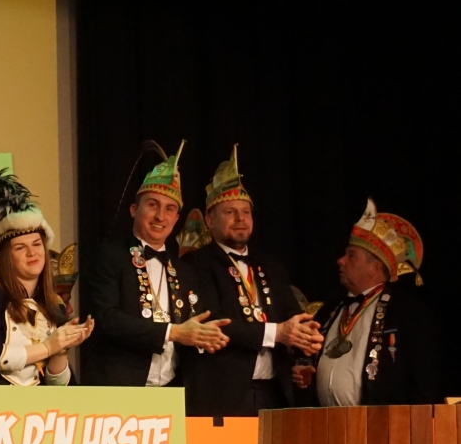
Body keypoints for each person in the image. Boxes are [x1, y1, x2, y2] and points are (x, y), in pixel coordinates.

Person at [179, 147, 320, 415]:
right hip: (222, 397)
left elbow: (294, 318)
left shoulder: (272, 266)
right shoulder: (195, 264)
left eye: (246, 212)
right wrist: (277, 333)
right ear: (209, 220)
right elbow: (215, 322)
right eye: (230, 212)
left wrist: (304, 351)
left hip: (274, 393)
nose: (240, 219)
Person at [83, 142, 229, 387]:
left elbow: (194, 325)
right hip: (120, 389)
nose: (161, 216)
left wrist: (206, 336)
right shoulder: (107, 256)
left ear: (176, 218)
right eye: (152, 205)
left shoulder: (185, 271)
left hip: (173, 389)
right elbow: (107, 319)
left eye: (169, 209)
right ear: (134, 209)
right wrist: (173, 332)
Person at [292, 201, 439, 406]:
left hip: (382, 422)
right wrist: (305, 371)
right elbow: (307, 359)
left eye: (351, 255)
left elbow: (423, 383)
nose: (341, 260)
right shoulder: (330, 309)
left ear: (374, 267)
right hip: (325, 421)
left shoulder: (406, 313)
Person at [0, 171, 94, 385]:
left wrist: (61, 349)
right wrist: (47, 347)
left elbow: (59, 386)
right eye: (20, 247)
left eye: (37, 244)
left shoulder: (54, 304)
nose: (32, 253)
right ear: (6, 258)